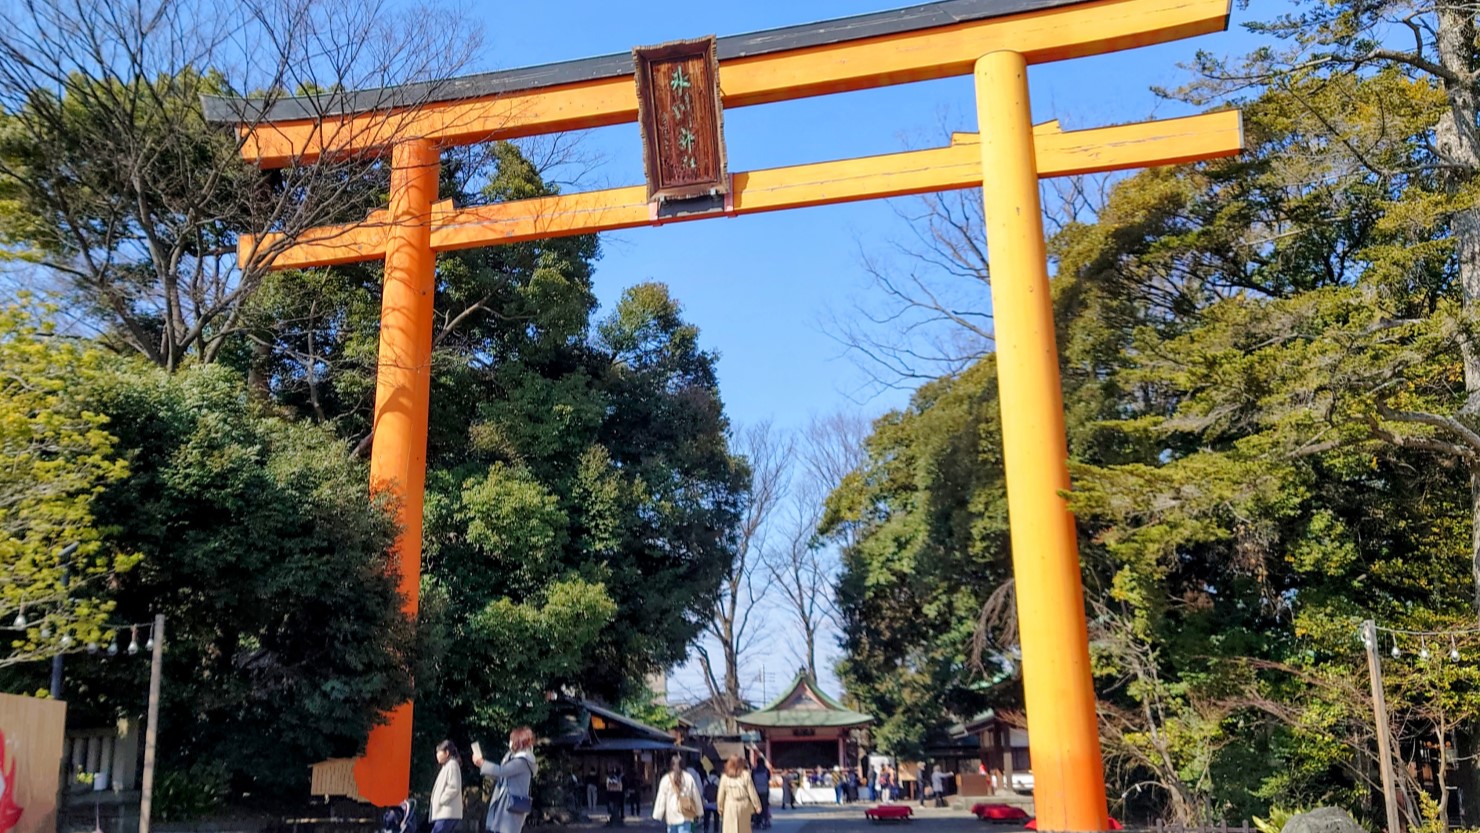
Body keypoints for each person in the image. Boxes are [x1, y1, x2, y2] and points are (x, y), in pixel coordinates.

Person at [472, 727, 539, 833]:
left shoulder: (522, 760)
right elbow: (501, 775)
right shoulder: (514, 757)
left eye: (512, 739)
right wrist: (483, 766)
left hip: (511, 806)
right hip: (508, 804)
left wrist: (482, 763)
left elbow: (502, 771)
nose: (510, 742)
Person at [653, 754, 703, 833]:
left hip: (671, 816)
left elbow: (661, 798)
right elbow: (695, 795)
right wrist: (699, 811)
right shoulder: (688, 778)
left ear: (671, 765)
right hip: (686, 814)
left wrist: (658, 814)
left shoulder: (666, 779)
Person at [718, 756, 762, 833]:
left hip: (730, 805)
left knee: (730, 828)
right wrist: (757, 805)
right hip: (744, 804)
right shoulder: (746, 775)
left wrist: (720, 807)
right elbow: (752, 791)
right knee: (744, 828)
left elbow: (721, 794)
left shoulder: (724, 776)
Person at [429, 740, 463, 833]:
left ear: (446, 753)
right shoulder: (447, 766)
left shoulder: (452, 765)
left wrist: (442, 799)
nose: (436, 755)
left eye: (438, 752)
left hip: (447, 812)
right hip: (445, 812)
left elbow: (454, 787)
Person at [749, 751, 771, 829]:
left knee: (757, 807)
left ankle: (757, 822)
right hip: (765, 790)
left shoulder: (754, 771)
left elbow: (751, 781)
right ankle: (765, 821)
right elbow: (768, 778)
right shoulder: (766, 770)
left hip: (756, 791)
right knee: (765, 806)